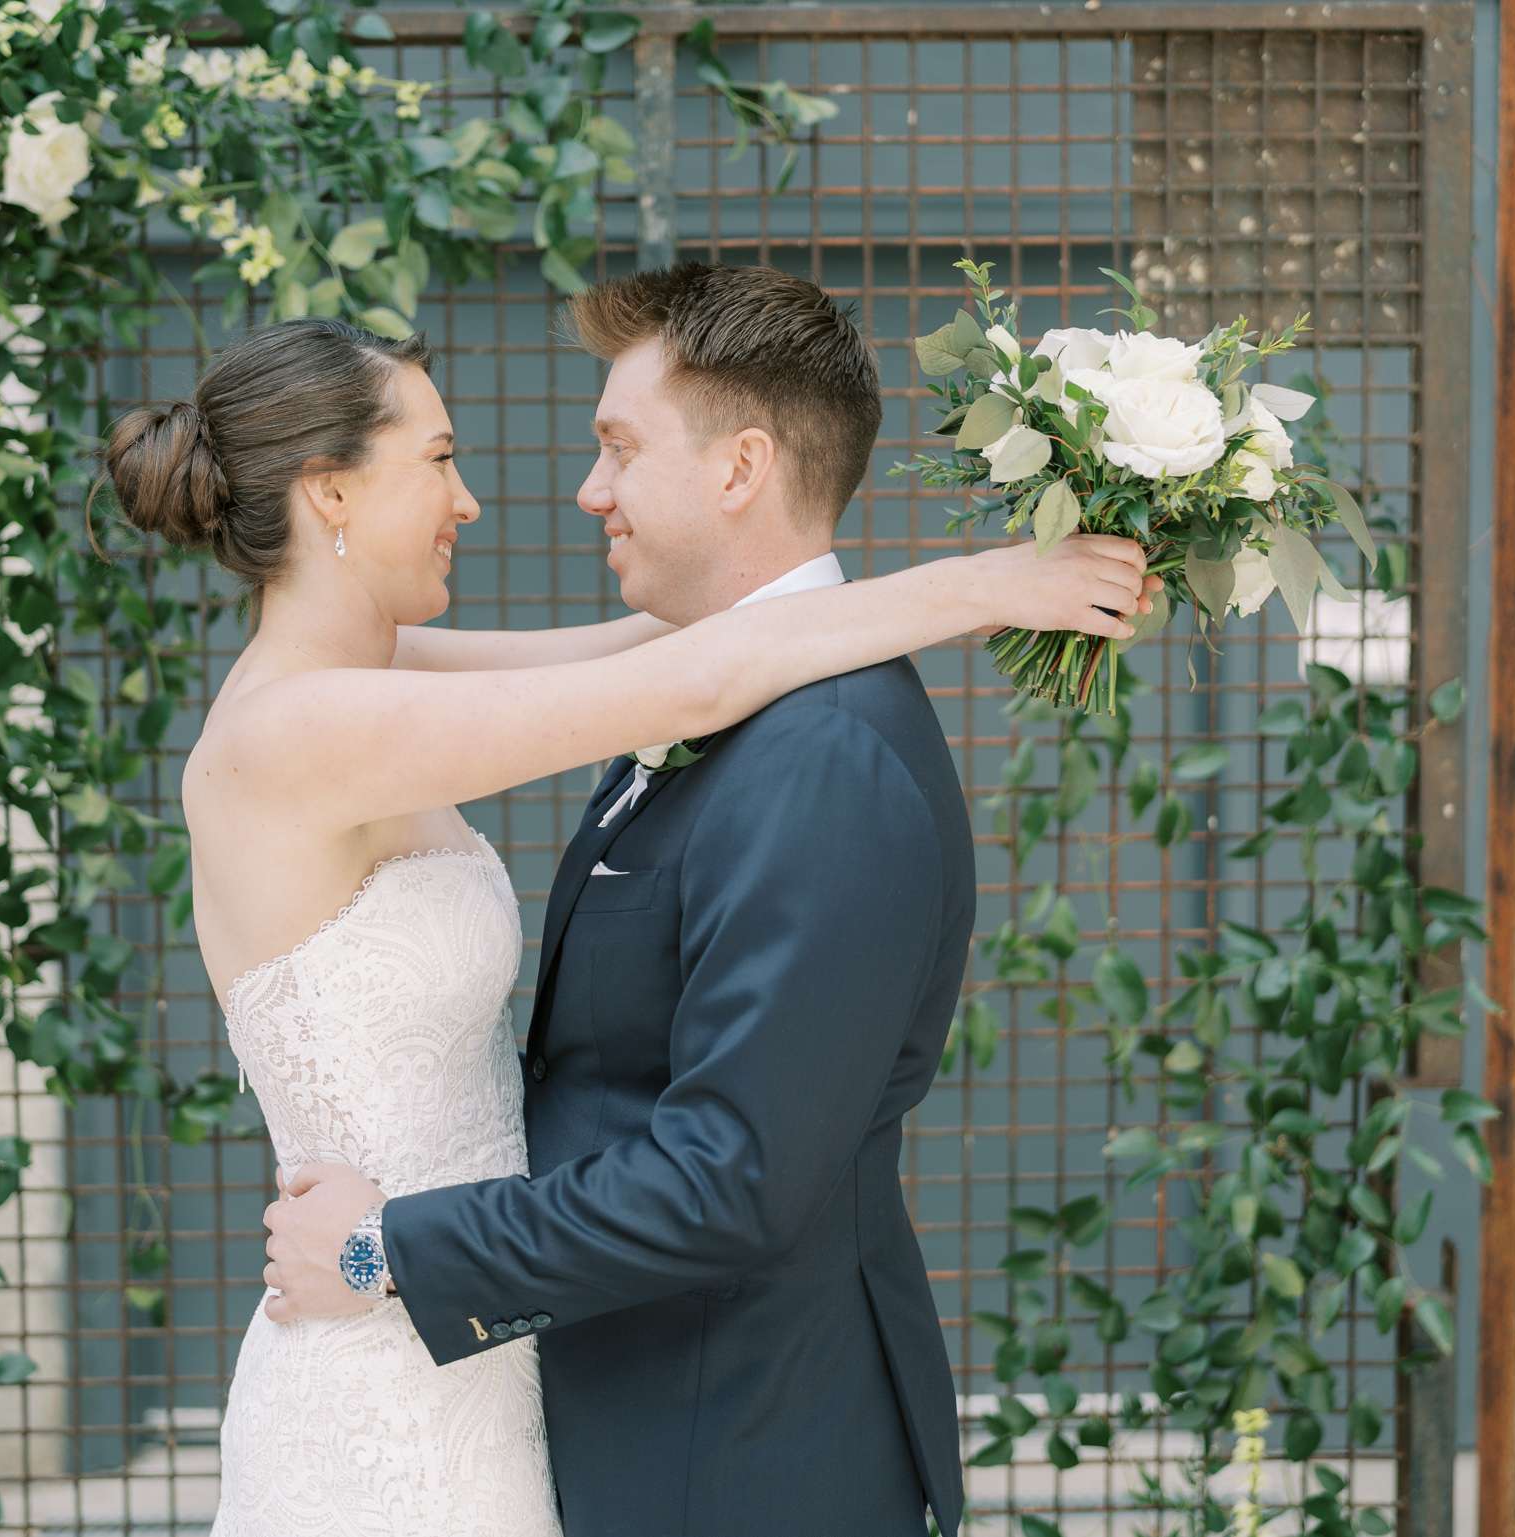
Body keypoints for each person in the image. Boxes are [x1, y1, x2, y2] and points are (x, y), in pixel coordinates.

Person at [96, 274, 1157, 1537]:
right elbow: (690, 678)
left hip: (487, 1344)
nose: (470, 497)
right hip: (384, 1359)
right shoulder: (299, 732)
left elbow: (656, 656)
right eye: (436, 458)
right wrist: (986, 585)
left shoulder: (375, 679)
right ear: (328, 491)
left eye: (613, 447)